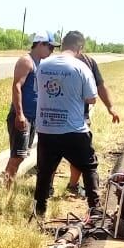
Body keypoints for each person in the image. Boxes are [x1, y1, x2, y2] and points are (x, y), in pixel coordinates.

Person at [33, 30, 100, 218]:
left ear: (62, 45)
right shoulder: (81, 68)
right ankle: (95, 209)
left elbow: (39, 90)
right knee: (89, 166)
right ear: (79, 48)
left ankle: (40, 211)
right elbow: (91, 99)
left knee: (45, 171)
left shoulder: (43, 65)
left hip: (46, 129)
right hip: (73, 130)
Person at [62, 51, 121, 196]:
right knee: (78, 153)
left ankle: (72, 185)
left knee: (72, 153)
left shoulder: (85, 62)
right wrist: (110, 108)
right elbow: (98, 89)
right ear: (80, 47)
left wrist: (110, 108)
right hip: (73, 117)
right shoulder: (84, 62)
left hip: (65, 116)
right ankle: (65, 186)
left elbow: (100, 87)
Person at [4, 33, 55, 183]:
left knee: (22, 155)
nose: (52, 51)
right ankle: (5, 190)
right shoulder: (26, 62)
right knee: (17, 156)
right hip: (23, 116)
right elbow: (16, 86)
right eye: (50, 47)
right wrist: (20, 114)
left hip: (33, 117)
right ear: (40, 44)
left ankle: (7, 186)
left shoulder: (40, 63)